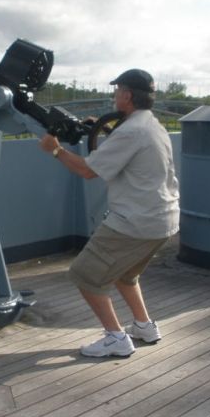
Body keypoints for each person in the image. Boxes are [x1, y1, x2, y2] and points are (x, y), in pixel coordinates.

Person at [39, 69, 179, 357]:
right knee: (125, 274)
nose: (115, 95)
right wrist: (97, 128)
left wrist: (55, 150)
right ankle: (144, 326)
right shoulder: (151, 125)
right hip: (162, 220)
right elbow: (126, 148)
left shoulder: (131, 131)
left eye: (117, 91)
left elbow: (87, 170)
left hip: (134, 223)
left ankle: (116, 338)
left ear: (127, 95)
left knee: (84, 275)